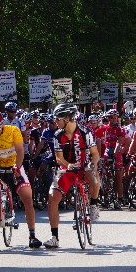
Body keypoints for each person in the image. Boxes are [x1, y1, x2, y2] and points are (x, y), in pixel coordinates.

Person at [0, 109, 42, 248]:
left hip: (14, 166)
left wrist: (17, 167)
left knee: (27, 198)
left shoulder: (13, 130)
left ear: (1, 124)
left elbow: (20, 151)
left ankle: (32, 235)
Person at [43, 103, 100, 248]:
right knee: (52, 197)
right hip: (67, 168)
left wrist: (91, 165)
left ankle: (93, 204)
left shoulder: (84, 132)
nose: (55, 121)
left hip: (83, 166)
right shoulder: (57, 135)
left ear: (67, 118)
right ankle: (54, 237)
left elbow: (95, 154)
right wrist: (67, 165)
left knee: (94, 179)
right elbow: (58, 157)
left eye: (58, 119)